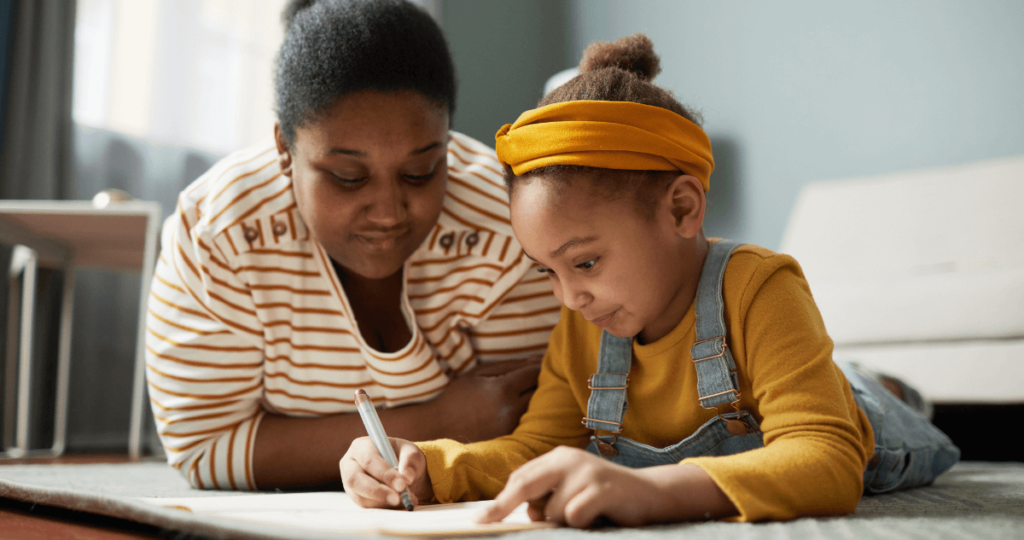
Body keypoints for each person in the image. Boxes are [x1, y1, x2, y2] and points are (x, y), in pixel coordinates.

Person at [338, 34, 960, 525]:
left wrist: (653, 490)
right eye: (547, 271)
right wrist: (429, 465)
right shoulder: (586, 323)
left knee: (862, 393)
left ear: (683, 210)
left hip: (866, 421)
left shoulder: (760, 287)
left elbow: (825, 460)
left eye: (583, 262)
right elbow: (536, 449)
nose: (568, 297)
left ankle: (887, 386)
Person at [145, 0, 561, 491]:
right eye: (347, 176)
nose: (388, 211)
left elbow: (535, 422)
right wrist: (437, 421)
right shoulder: (217, 232)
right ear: (284, 150)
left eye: (420, 171)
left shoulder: (509, 221)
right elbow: (204, 448)